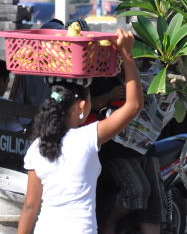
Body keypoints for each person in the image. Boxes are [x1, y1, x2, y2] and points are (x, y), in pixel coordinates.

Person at [18, 29, 144, 234]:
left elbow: (30, 207)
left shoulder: (37, 148)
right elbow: (134, 106)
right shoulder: (88, 138)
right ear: (83, 106)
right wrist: (127, 56)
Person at [93, 60, 174, 234]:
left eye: (141, 61)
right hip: (114, 150)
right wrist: (110, 96)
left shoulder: (150, 80)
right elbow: (86, 105)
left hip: (145, 147)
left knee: (156, 200)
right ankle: (109, 222)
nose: (138, 64)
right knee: (138, 189)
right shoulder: (104, 80)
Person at [9, 20, 65, 108]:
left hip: (31, 118)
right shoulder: (64, 68)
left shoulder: (26, 66)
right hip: (44, 117)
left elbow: (18, 98)